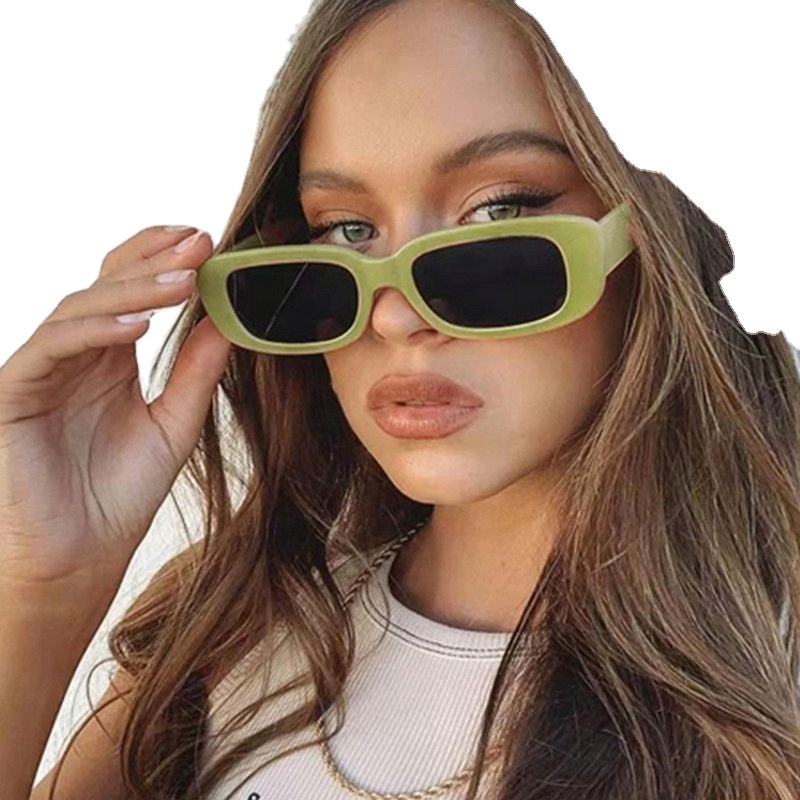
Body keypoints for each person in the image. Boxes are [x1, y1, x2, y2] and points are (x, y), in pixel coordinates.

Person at [3, 0, 800, 798]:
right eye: (346, 229)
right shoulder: (239, 620)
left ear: (664, 229)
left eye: (500, 210)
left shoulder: (775, 693)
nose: (392, 316)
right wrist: (46, 585)